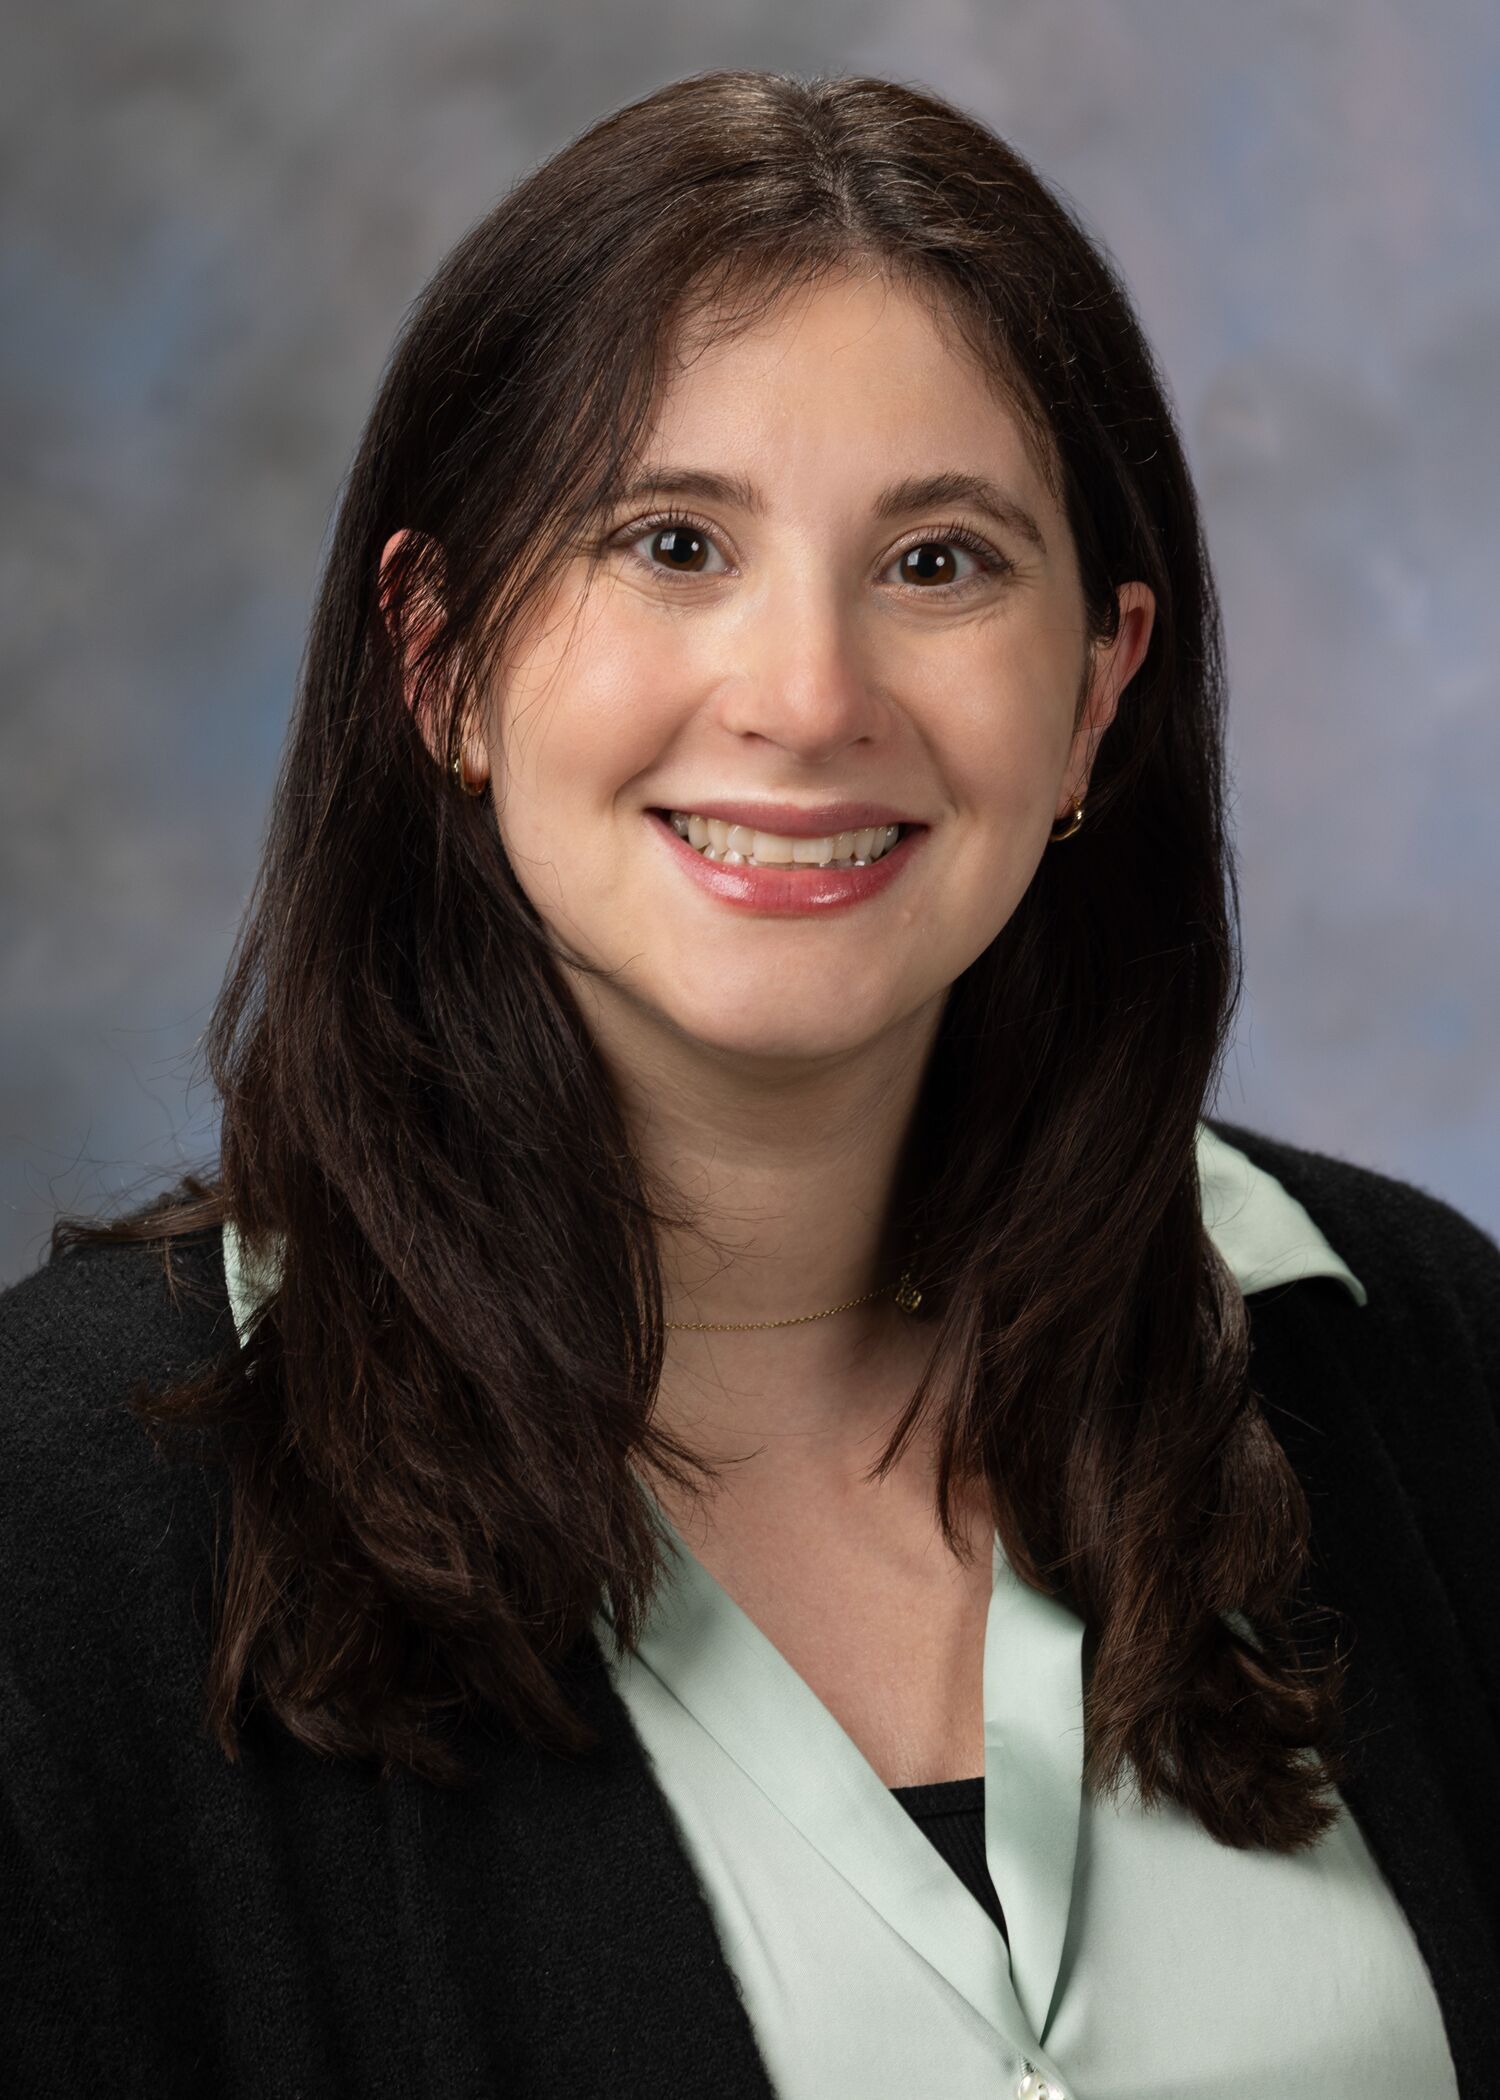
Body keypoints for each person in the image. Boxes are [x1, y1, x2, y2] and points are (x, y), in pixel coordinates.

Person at [2, 66, 1497, 2100]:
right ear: (440, 662)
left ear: (1096, 690)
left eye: (940, 562)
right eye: (674, 541)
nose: (806, 698)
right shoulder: (61, 1534)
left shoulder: (1417, 1363)